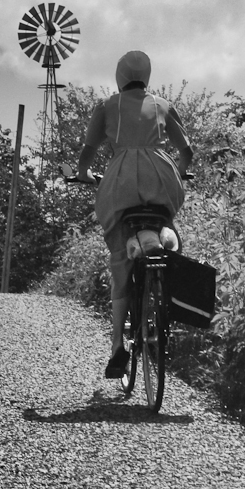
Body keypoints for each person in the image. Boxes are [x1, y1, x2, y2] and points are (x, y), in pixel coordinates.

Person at [76, 50, 193, 378]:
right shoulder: (163, 105)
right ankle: (162, 294)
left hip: (120, 183)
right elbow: (186, 151)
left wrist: (84, 173)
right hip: (162, 179)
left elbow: (88, 150)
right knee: (164, 224)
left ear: (119, 76)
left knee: (120, 261)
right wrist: (180, 172)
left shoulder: (106, 106)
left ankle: (118, 346)